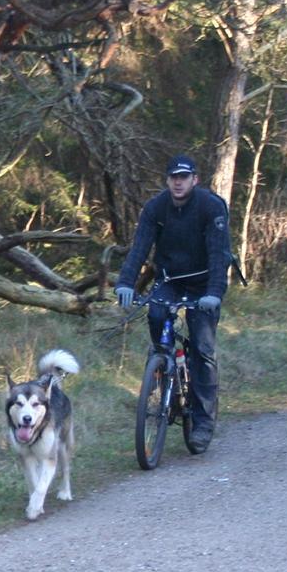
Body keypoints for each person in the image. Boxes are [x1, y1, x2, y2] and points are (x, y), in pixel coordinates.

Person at [114, 154, 232, 453]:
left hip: (205, 284)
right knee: (156, 314)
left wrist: (214, 293)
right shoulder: (156, 208)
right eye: (173, 177)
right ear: (167, 181)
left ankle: (203, 423)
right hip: (170, 279)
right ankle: (163, 366)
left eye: (184, 177)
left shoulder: (210, 206)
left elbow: (219, 255)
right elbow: (140, 246)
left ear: (195, 180)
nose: (178, 182)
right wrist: (126, 282)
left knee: (203, 351)